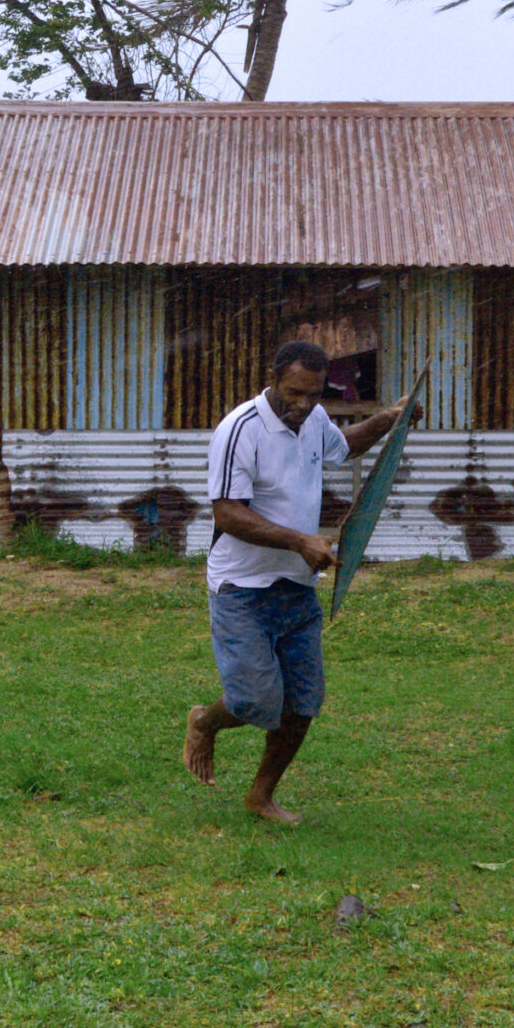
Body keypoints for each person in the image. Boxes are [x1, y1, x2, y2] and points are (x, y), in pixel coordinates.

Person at [183, 339, 408, 823]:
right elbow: (227, 513)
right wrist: (300, 542)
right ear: (273, 377)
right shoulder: (239, 429)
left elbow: (345, 446)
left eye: (313, 394)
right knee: (251, 699)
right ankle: (204, 720)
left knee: (302, 701)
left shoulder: (315, 420)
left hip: (297, 586)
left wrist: (389, 419)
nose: (303, 405)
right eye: (293, 393)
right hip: (241, 587)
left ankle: (260, 795)